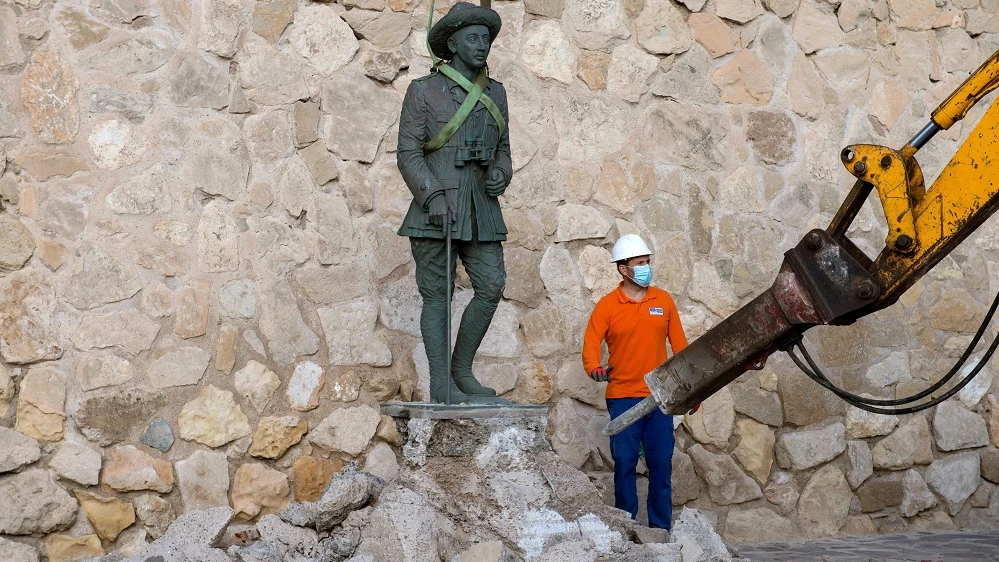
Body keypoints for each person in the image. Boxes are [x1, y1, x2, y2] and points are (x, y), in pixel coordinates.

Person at [396, 2, 512, 404]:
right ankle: (441, 385)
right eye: (473, 38)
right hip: (436, 209)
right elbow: (408, 153)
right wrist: (431, 194)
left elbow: (505, 150)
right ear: (452, 43)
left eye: (486, 38)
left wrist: (501, 173)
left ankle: (461, 371)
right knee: (438, 296)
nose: (482, 46)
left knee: (492, 285)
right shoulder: (423, 91)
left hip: (481, 209)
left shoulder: (496, 92)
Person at [582, 234, 689, 530]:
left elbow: (681, 347)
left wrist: (692, 389)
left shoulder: (663, 301)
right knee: (625, 465)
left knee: (661, 467)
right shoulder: (607, 306)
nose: (646, 268)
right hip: (623, 397)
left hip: (659, 398)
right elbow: (591, 343)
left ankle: (660, 530)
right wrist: (594, 368)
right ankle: (626, 531)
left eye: (647, 262)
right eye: (640, 263)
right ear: (623, 269)